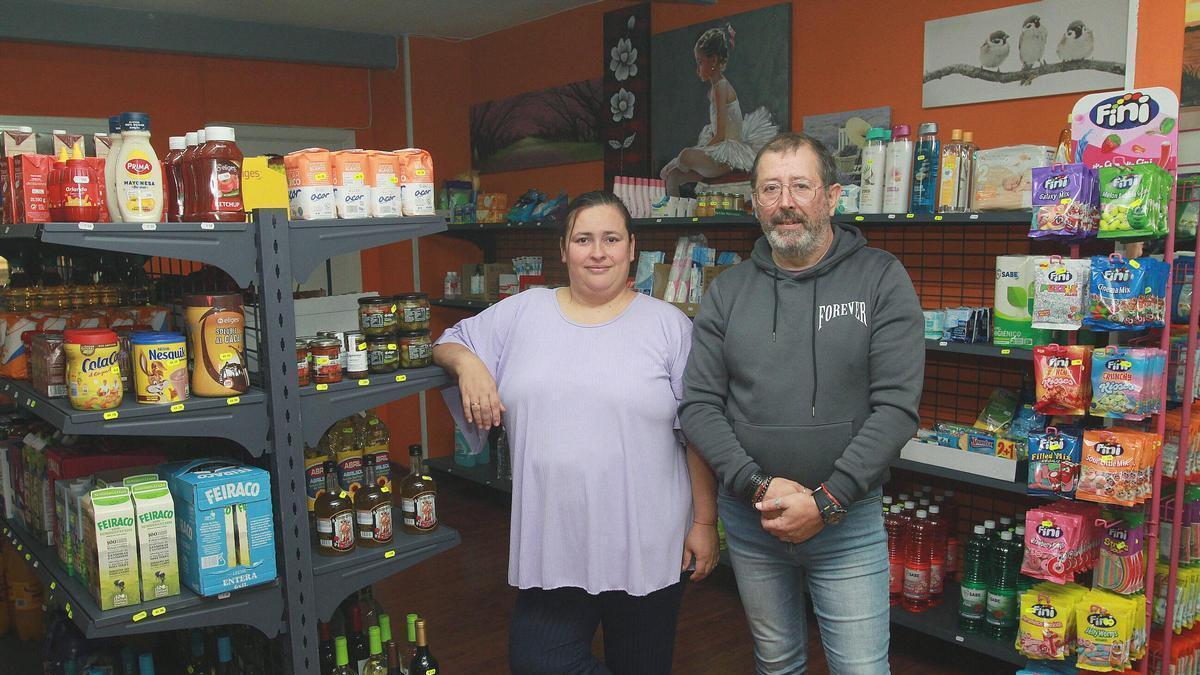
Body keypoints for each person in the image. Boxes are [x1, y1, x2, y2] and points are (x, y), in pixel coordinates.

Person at [433, 191, 719, 675]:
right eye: (583, 239)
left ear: (632, 248)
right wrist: (470, 366)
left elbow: (697, 432)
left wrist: (705, 523)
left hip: (647, 541)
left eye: (611, 239)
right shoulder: (522, 312)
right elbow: (447, 341)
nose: (598, 252)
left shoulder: (669, 326)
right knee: (538, 660)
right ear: (563, 250)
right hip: (554, 539)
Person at [680, 132, 925, 674]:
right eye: (771, 188)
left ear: (832, 197)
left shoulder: (881, 278)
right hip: (751, 519)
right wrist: (755, 486)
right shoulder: (727, 291)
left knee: (861, 669)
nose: (785, 202)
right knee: (777, 662)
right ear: (754, 203)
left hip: (846, 521)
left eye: (800, 186)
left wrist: (829, 501)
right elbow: (698, 405)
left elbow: (897, 409)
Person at [660, 23, 778, 196]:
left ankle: (676, 161)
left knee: (685, 155)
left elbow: (721, 135)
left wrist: (696, 153)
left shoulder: (721, 88)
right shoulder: (716, 88)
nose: (697, 69)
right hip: (720, 152)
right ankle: (675, 212)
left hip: (726, 157)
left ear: (713, 61)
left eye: (700, 62)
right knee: (673, 177)